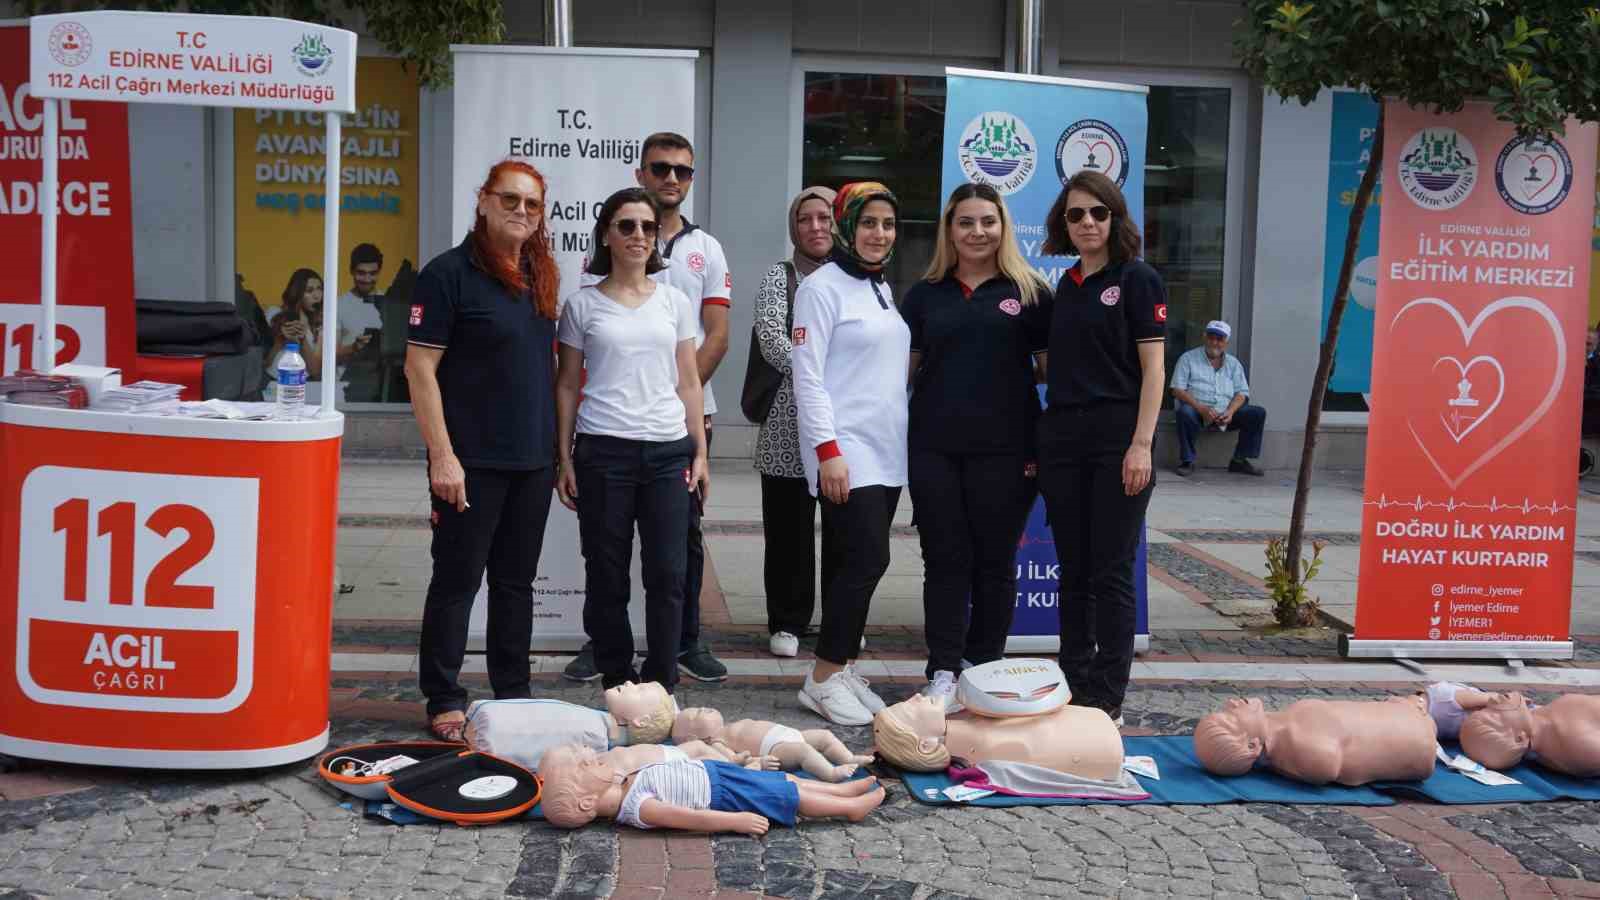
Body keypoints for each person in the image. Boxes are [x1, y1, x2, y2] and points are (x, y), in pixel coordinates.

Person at [404, 160, 561, 742]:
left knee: (517, 584)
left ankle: (513, 692)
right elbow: (419, 369)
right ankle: (443, 695)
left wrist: (557, 455)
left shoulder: (541, 274)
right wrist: (442, 456)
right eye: (511, 200)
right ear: (484, 202)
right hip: (468, 464)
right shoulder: (445, 275)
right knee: (457, 579)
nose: (522, 211)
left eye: (533, 205)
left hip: (531, 460)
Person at [566, 132, 730, 684]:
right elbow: (566, 386)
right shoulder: (581, 303)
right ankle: (616, 679)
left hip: (667, 454)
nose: (639, 235)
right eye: (626, 226)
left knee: (668, 574)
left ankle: (662, 683)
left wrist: (700, 454)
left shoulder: (675, 301)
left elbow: (689, 383)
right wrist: (563, 458)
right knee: (607, 574)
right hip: (602, 452)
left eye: (647, 228)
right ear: (607, 235)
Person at [902, 183, 1052, 706]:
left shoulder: (1030, 292)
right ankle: (943, 671)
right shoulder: (925, 295)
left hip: (1008, 452)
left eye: (988, 221)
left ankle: (984, 667)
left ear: (1003, 226)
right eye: (966, 222)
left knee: (994, 563)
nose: (978, 232)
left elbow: (1053, 371)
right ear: (950, 229)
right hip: (934, 449)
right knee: (944, 561)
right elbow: (903, 373)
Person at [1038, 170, 1167, 728]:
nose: (1087, 223)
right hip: (1064, 439)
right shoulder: (1063, 287)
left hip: (1119, 439)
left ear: (1115, 217)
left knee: (1111, 571)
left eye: (1097, 212)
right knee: (1073, 571)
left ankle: (1108, 695)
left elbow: (1154, 368)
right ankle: (1075, 682)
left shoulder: (1138, 279)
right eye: (1075, 215)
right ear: (1063, 225)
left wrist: (1141, 444)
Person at [790, 182, 910, 726]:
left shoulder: (882, 288)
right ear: (846, 225)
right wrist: (827, 450)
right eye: (868, 223)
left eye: (886, 224)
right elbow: (807, 376)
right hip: (846, 448)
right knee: (867, 560)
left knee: (849, 565)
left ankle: (840, 668)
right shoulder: (822, 288)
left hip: (886, 450)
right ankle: (820, 678)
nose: (878, 233)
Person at [754, 186, 837, 658]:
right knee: (788, 533)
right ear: (794, 227)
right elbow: (770, 337)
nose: (816, 227)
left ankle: (839, 620)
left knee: (845, 533)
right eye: (805, 219)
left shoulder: (857, 278)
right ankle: (788, 620)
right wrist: (822, 374)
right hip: (787, 427)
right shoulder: (779, 276)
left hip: (842, 430)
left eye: (824, 217)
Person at [540, 752, 885, 833]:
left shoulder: (625, 783)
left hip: (717, 775)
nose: (594, 760)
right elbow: (692, 818)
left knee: (788, 781)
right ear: (588, 801)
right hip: (723, 795)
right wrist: (734, 822)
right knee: (787, 797)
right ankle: (848, 808)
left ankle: (840, 790)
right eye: (586, 769)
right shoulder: (638, 808)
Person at [1193, 696, 1437, 785]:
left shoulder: (1288, 728)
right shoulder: (1298, 743)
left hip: (1411, 716)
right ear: (1251, 746)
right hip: (1419, 737)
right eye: (1230, 717)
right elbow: (1325, 767)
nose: (1231, 703)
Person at [1169, 319, 1265, 477]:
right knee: (1184, 413)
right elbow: (1177, 389)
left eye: (1219, 339)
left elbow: (1242, 393)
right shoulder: (1188, 358)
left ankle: (1239, 461)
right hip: (1198, 412)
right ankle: (1187, 460)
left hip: (1226, 414)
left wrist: (1230, 412)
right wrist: (1200, 408)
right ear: (1204, 337)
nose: (1214, 342)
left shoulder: (1233, 364)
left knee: (1257, 413)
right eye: (1211, 337)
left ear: (1226, 342)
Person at [334, 243, 384, 403]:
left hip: (382, 386)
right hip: (347, 387)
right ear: (351, 271)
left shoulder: (388, 303)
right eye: (361, 273)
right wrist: (354, 348)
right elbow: (328, 355)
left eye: (373, 273)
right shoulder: (338, 305)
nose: (367, 279)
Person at [266, 268, 325, 389]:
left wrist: (303, 341)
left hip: (305, 386)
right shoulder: (275, 314)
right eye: (309, 290)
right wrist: (280, 340)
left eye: (320, 289)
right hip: (274, 384)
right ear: (297, 293)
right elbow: (264, 363)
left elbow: (315, 372)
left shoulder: (322, 324)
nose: (316, 295)